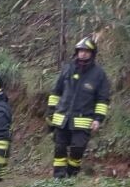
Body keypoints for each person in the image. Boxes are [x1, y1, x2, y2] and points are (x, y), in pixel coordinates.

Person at [47, 37, 110, 178]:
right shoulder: (67, 69)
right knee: (59, 148)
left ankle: (72, 174)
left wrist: (98, 119)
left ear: (92, 54)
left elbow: (102, 100)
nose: (83, 54)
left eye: (86, 51)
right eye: (81, 51)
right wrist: (51, 111)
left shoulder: (99, 75)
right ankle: (58, 177)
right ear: (77, 52)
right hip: (62, 117)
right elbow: (56, 92)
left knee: (78, 149)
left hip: (83, 120)